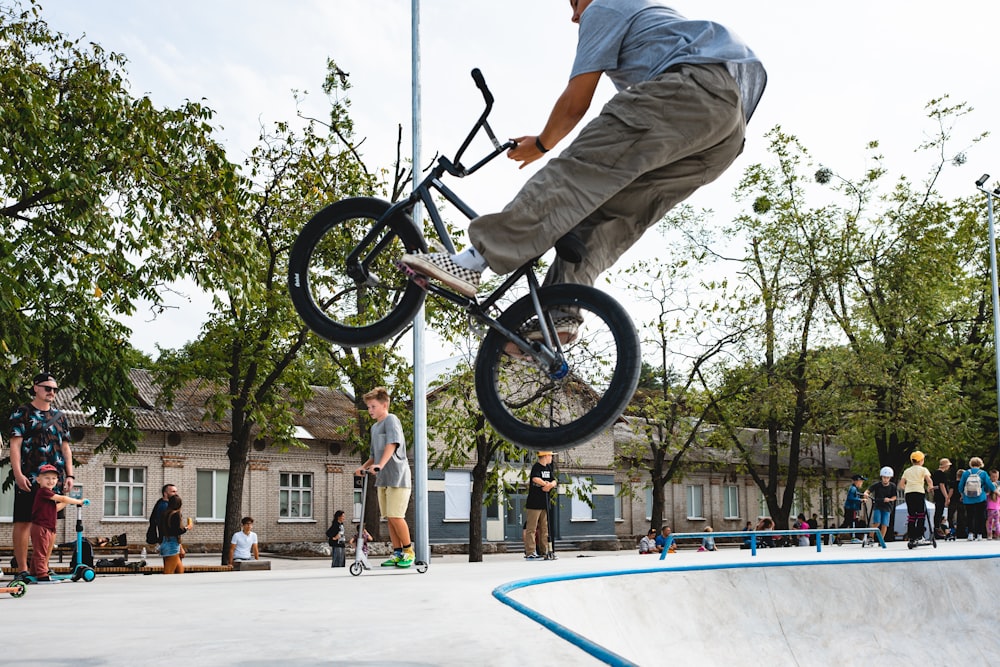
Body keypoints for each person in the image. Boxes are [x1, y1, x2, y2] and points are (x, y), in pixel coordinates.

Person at [399, 1, 767, 323]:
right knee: (610, 214)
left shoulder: (605, 5)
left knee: (574, 174)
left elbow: (576, 102)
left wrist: (541, 144)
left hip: (691, 91)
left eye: (573, 3)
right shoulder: (651, 22)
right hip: (724, 133)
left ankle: (473, 260)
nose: (574, 17)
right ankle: (561, 312)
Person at [9, 372, 75, 581]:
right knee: (23, 521)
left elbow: (66, 448)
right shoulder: (22, 412)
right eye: (47, 388)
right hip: (29, 477)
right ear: (35, 387)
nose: (51, 392)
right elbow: (15, 446)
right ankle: (22, 569)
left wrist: (70, 475)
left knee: (50, 523)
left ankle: (42, 568)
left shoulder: (60, 416)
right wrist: (18, 473)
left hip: (54, 479)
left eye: (54, 389)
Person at [354, 387, 414, 568]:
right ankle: (397, 554)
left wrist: (380, 465)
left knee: (396, 516)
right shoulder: (374, 427)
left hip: (397, 476)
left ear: (384, 404)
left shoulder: (391, 420)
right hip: (383, 478)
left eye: (373, 406)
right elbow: (374, 454)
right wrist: (363, 467)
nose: (370, 410)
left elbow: (392, 444)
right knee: (389, 517)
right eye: (368, 407)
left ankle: (409, 552)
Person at [29, 464, 85, 582]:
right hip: (41, 527)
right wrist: (78, 501)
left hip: (47, 527)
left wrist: (66, 501)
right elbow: (63, 499)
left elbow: (55, 508)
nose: (51, 481)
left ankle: (34, 572)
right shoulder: (43, 492)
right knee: (41, 551)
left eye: (54, 478)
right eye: (47, 478)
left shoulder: (48, 495)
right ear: (38, 479)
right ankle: (42, 575)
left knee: (39, 550)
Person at [523, 451, 557, 560]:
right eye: (551, 456)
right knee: (531, 528)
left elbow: (554, 480)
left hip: (544, 503)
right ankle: (530, 552)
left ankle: (544, 551)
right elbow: (535, 478)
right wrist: (545, 484)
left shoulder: (548, 468)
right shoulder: (536, 467)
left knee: (544, 528)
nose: (551, 458)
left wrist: (551, 485)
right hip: (534, 503)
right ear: (546, 456)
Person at [898, 451, 934, 545]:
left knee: (911, 516)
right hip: (919, 492)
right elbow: (929, 480)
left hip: (909, 494)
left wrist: (908, 488)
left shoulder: (907, 470)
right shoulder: (923, 469)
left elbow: (901, 484)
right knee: (921, 515)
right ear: (921, 460)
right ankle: (919, 536)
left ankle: (911, 537)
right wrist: (930, 487)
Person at [959, 457, 995, 541]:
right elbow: (989, 484)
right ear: (980, 464)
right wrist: (990, 490)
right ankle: (979, 534)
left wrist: (962, 493)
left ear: (971, 464)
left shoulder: (966, 473)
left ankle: (970, 534)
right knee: (980, 516)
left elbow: (960, 485)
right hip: (980, 497)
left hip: (968, 498)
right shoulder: (983, 473)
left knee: (969, 515)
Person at [159, 495, 192, 574]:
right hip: (172, 545)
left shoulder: (164, 513)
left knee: (179, 570)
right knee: (168, 572)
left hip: (165, 542)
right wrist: (187, 527)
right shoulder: (176, 514)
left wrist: (180, 547)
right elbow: (177, 531)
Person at [866, 467, 898, 540]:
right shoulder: (877, 485)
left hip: (887, 507)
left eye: (887, 478)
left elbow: (894, 497)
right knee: (877, 522)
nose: (885, 479)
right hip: (878, 505)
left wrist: (889, 499)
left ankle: (881, 539)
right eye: (884, 477)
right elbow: (869, 490)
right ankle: (871, 537)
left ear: (890, 478)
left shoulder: (892, 486)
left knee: (884, 524)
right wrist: (866, 493)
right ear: (881, 477)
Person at [842, 474, 866, 542]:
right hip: (850, 508)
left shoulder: (855, 488)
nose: (862, 483)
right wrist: (860, 500)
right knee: (850, 523)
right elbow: (850, 498)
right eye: (861, 481)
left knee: (850, 522)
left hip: (851, 508)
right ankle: (853, 538)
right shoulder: (853, 488)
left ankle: (852, 537)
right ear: (857, 481)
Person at [931, 458, 952, 535]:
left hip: (936, 494)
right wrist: (947, 497)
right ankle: (938, 529)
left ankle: (937, 527)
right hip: (941, 495)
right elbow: (942, 485)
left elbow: (933, 485)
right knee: (939, 512)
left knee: (938, 512)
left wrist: (933, 494)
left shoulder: (935, 473)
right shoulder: (941, 474)